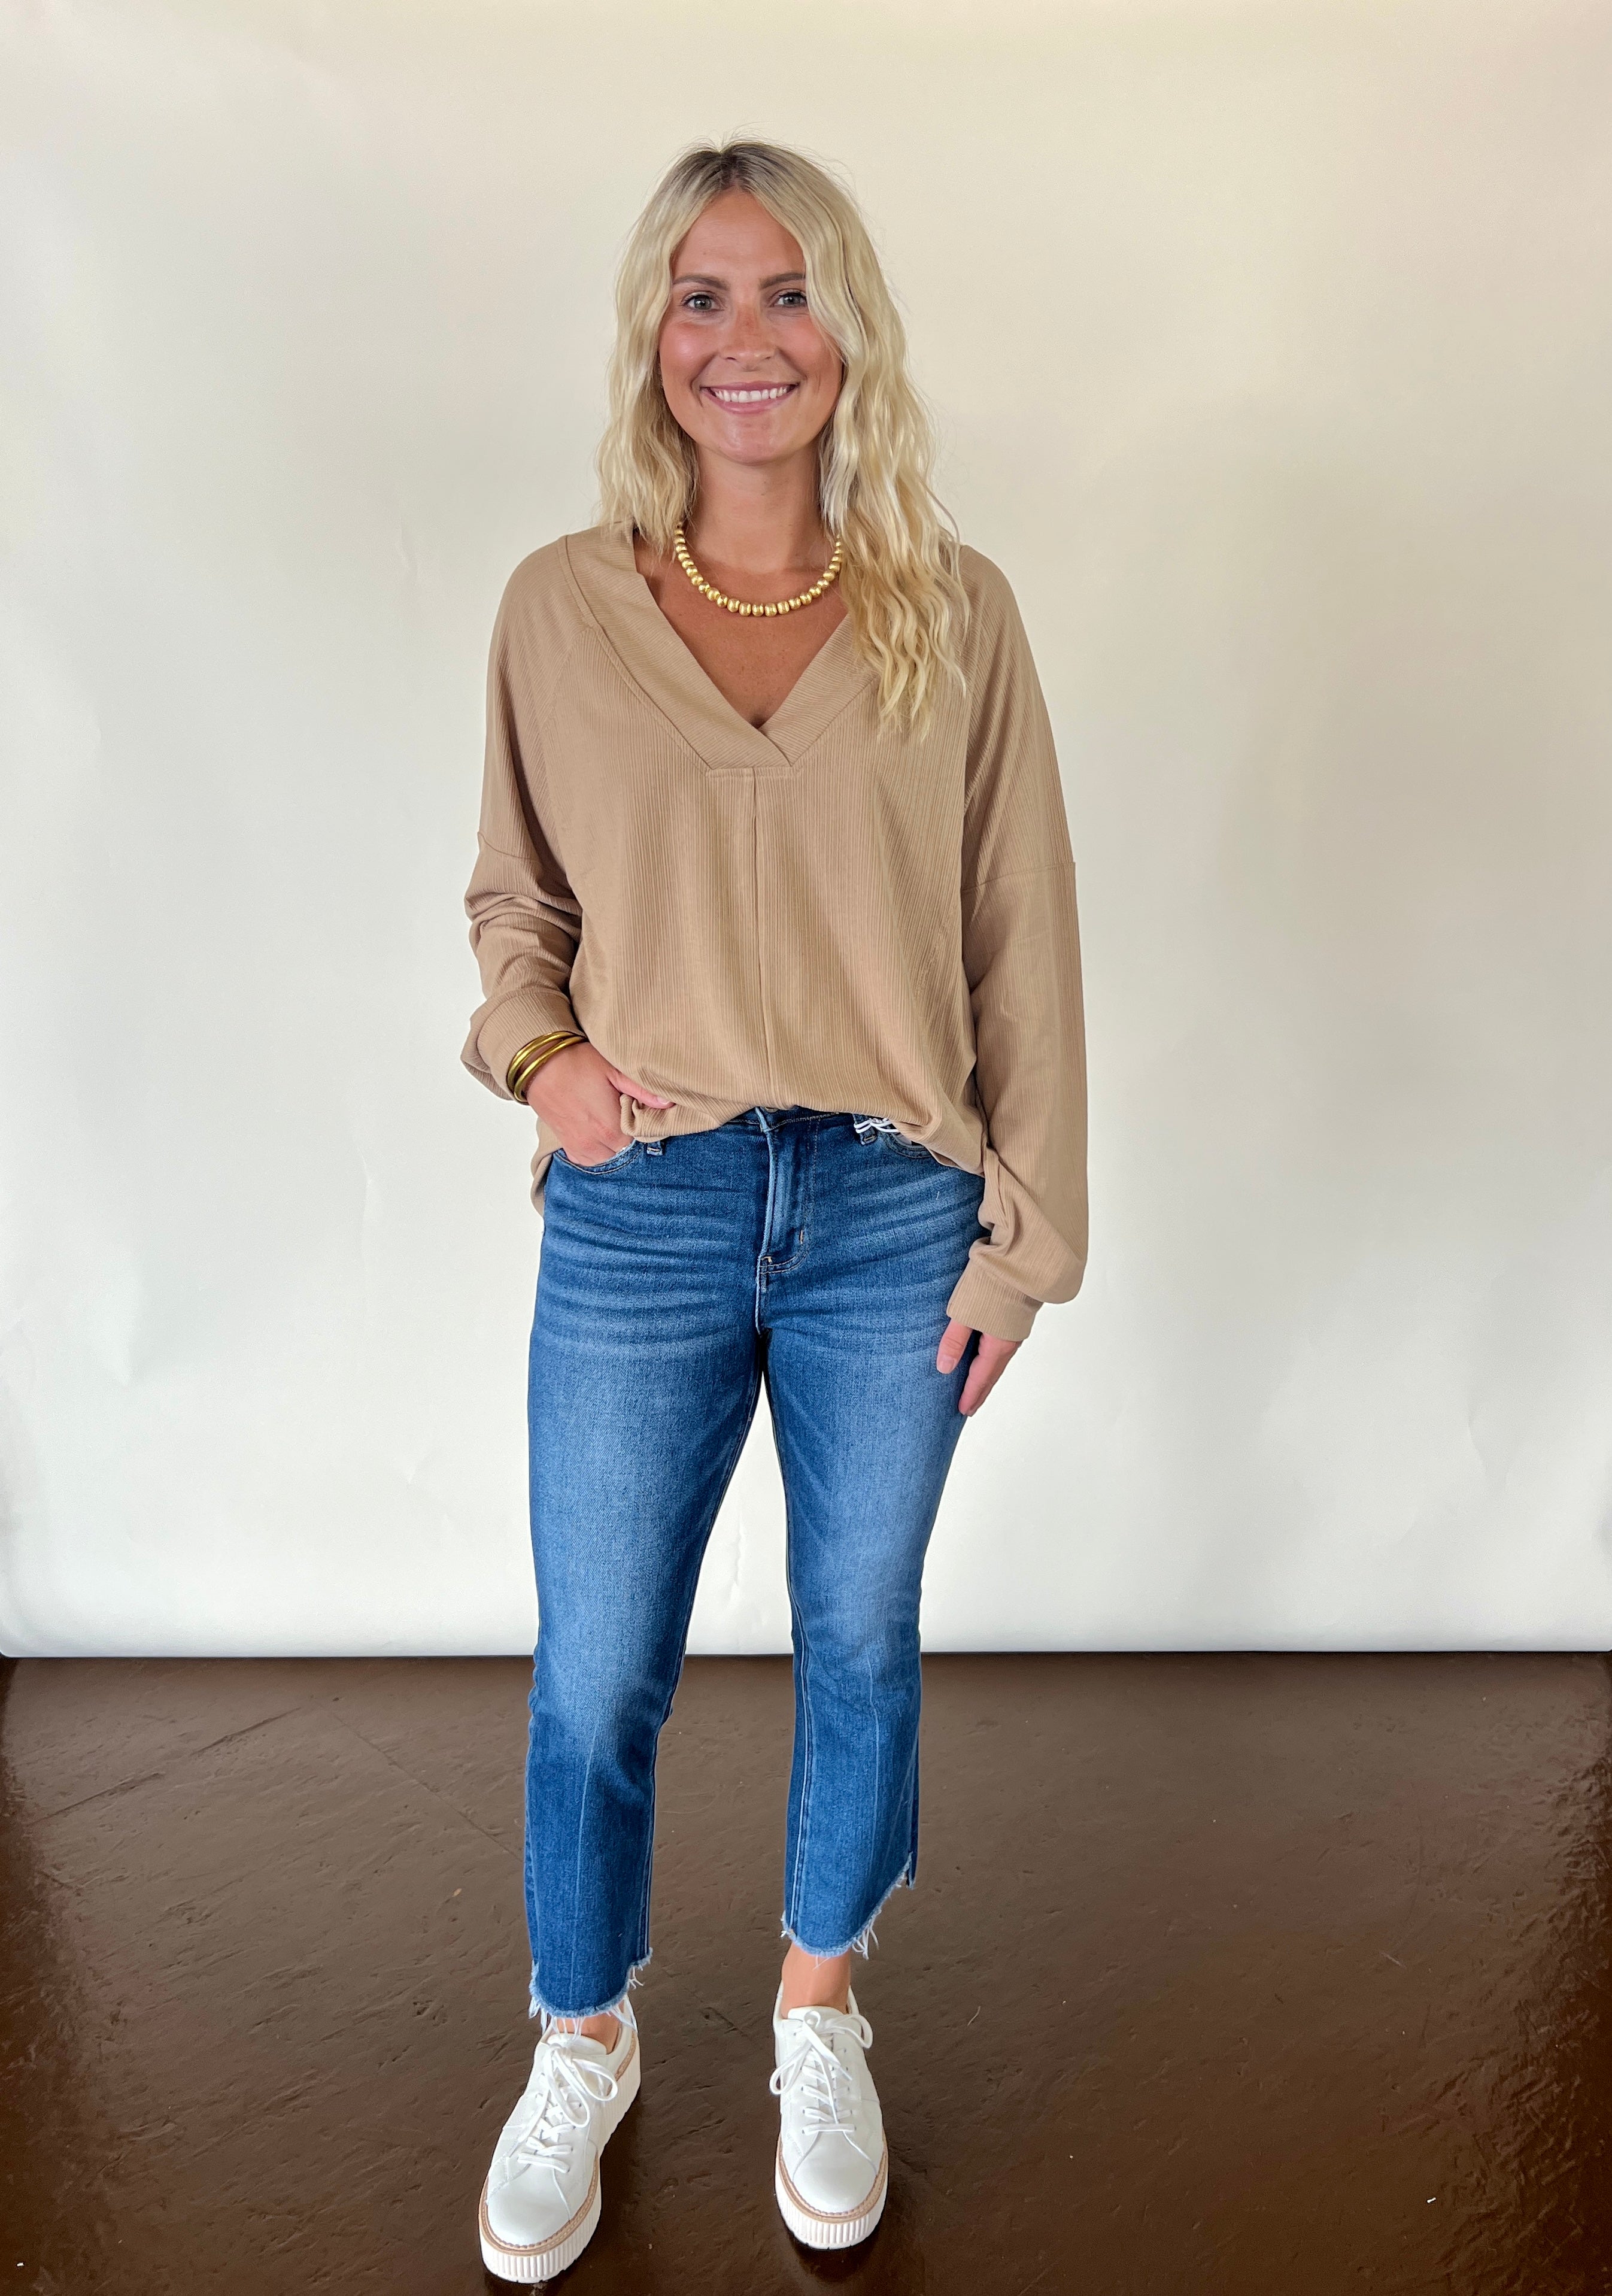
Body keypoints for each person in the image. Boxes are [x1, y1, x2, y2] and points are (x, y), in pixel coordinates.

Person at [460, 137, 1086, 2282]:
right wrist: (541, 1058)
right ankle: (583, 2027)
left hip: (900, 1208)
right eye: (705, 295)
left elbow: (1023, 939)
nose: (751, 340)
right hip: (643, 1202)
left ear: (852, 334)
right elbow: (514, 902)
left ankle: (820, 2009)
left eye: (793, 292)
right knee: (595, 1666)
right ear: (655, 332)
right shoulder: (559, 608)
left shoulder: (954, 614)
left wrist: (1031, 1235)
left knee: (861, 1634)